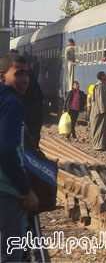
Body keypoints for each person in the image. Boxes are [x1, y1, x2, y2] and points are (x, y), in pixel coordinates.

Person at [0, 53, 38, 262]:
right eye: (19, 73)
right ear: (2, 75)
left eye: (28, 74)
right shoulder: (11, 102)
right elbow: (6, 150)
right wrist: (25, 190)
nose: (25, 79)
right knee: (10, 255)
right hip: (8, 189)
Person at [90, 71, 106, 151]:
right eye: (105, 75)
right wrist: (103, 110)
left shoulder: (100, 86)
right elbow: (100, 99)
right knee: (99, 128)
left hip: (99, 110)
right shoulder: (99, 87)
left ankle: (102, 145)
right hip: (99, 111)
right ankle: (98, 146)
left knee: (101, 128)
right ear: (101, 77)